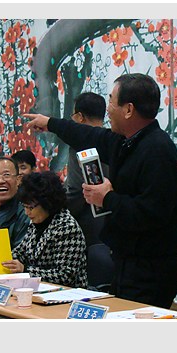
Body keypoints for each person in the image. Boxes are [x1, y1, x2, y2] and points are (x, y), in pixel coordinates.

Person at [24, 73, 177, 309]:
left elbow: (152, 214)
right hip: (126, 260)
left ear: (128, 109)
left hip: (151, 268)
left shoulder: (157, 150)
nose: (107, 110)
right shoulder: (127, 141)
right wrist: (50, 123)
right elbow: (89, 135)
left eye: (111, 101)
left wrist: (107, 198)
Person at [1, 172, 87, 288]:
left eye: (31, 207)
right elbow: (21, 252)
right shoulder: (36, 222)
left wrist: (25, 270)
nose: (27, 212)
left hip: (67, 293)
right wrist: (6, 260)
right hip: (38, 289)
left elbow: (65, 276)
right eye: (24, 206)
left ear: (47, 203)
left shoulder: (67, 228)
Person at [65, 92, 109, 247]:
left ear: (80, 117)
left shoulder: (78, 144)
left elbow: (76, 190)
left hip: (87, 224)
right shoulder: (114, 140)